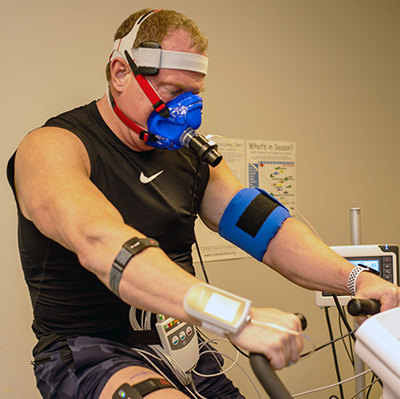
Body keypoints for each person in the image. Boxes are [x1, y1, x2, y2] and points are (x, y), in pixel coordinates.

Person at [7, 7, 400, 399]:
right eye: (174, 92)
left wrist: (356, 279)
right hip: (94, 354)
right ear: (121, 73)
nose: (187, 111)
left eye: (195, 94)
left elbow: (267, 231)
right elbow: (101, 244)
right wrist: (237, 318)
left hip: (180, 344)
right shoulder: (51, 148)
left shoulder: (190, 159)